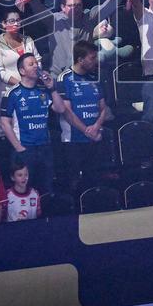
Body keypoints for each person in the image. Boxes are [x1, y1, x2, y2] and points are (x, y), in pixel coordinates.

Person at [0, 53, 67, 193]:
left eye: (36, 63)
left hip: (44, 147)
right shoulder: (12, 93)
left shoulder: (43, 90)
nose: (36, 66)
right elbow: (5, 123)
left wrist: (52, 88)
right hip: (24, 148)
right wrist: (19, 148)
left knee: (46, 188)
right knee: (25, 190)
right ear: (22, 71)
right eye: (31, 64)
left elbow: (60, 109)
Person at [57, 41, 107, 193]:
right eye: (92, 58)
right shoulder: (64, 78)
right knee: (74, 184)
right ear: (80, 60)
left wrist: (96, 127)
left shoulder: (94, 77)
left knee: (94, 182)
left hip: (94, 138)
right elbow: (66, 111)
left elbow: (103, 108)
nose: (95, 61)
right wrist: (86, 130)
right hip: (74, 140)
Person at [25, 0, 115, 77]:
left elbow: (109, 6)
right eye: (71, 5)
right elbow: (39, 9)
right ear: (63, 7)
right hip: (59, 77)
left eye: (78, 5)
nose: (75, 9)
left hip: (84, 75)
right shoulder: (54, 20)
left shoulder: (89, 18)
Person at [0, 9, 41, 112]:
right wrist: (21, 84)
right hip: (6, 91)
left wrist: (33, 78)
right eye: (12, 21)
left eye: (18, 20)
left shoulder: (28, 40)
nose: (16, 24)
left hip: (31, 89)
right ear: (4, 24)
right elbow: (0, 72)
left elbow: (38, 61)